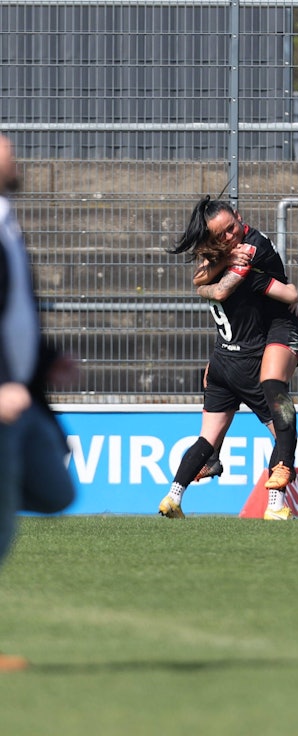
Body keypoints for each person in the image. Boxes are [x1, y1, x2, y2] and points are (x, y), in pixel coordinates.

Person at [158, 198, 298, 520]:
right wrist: (289, 292)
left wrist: (209, 278)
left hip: (249, 344)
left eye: (231, 229)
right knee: (280, 422)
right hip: (247, 353)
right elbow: (209, 285)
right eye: (221, 235)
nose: (229, 238)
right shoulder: (229, 257)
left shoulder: (249, 248)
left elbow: (207, 285)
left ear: (240, 217)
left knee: (216, 432)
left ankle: (175, 495)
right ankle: (276, 504)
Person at [0, 134, 77, 671]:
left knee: (55, 491)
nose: (13, 152)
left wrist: (46, 359)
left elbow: (14, 312)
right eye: (3, 147)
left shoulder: (7, 222)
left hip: (25, 399)